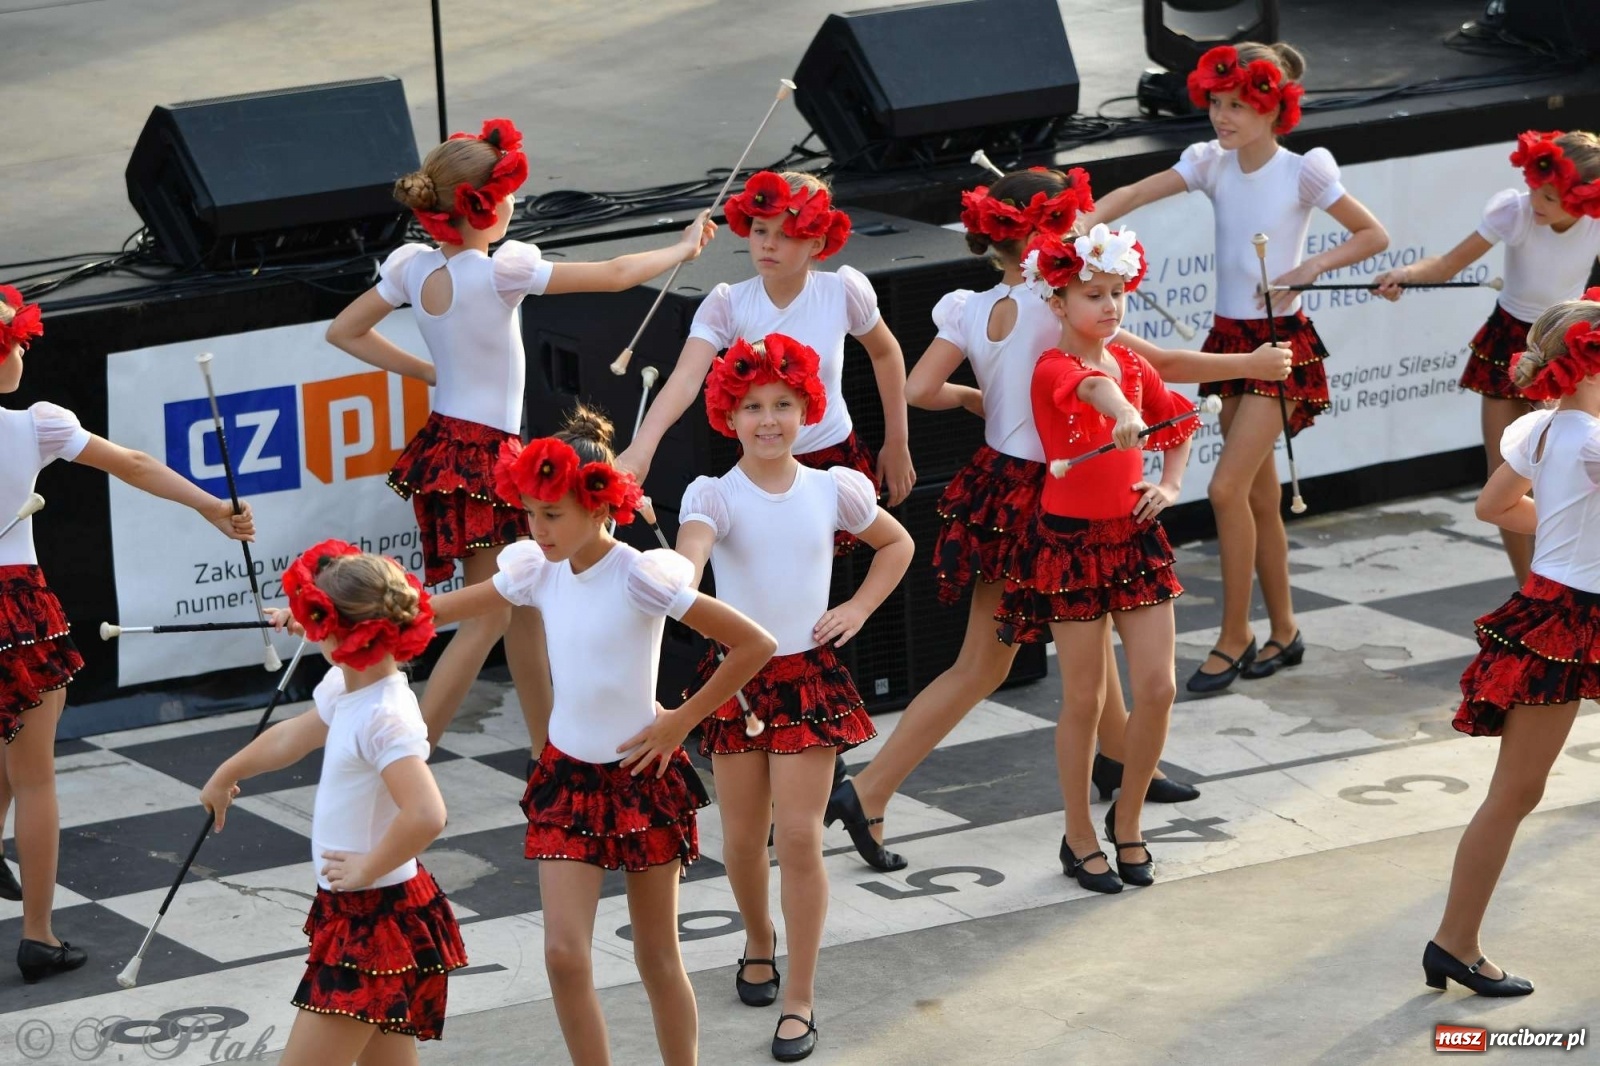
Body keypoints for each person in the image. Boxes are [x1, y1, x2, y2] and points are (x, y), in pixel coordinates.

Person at [828, 170, 1293, 872]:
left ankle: (1121, 759)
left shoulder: (974, 305)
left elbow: (922, 389)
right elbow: (1159, 362)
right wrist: (1250, 362)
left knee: (1086, 630)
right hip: (1043, 490)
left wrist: (979, 400)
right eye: (1072, 225)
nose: (1082, 236)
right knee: (983, 664)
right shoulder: (1056, 305)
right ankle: (868, 789)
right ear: (1047, 236)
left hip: (996, 484)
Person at [326, 117, 715, 750]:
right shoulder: (501, 271)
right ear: (483, 204)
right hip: (483, 454)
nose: (515, 204)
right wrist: (681, 249)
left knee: (525, 604)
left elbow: (343, 331)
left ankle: (544, 749)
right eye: (508, 194)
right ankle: (404, 756)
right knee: (488, 616)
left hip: (446, 446)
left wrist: (429, 370)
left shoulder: (411, 269)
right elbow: (617, 273)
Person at [428, 406, 775, 1066]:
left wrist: (681, 720)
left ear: (598, 506)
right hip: (566, 780)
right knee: (562, 955)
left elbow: (754, 643)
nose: (537, 529)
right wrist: (348, 614)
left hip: (642, 778)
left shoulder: (640, 577)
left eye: (551, 515)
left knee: (656, 956)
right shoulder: (537, 569)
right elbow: (437, 609)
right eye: (530, 513)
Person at [1080, 42, 1389, 693]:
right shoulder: (1210, 163)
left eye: (1238, 107)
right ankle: (1285, 628)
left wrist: (1308, 268)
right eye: (1216, 104)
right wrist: (1083, 221)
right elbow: (1134, 191)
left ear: (1274, 109)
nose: (1222, 117)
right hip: (1228, 342)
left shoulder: (1303, 172)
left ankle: (1235, 634)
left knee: (1225, 490)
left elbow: (1373, 235)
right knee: (1256, 497)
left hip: (1280, 346)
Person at [0, 285, 254, 982]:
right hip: (15, 609)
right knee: (34, 777)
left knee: (7, 756)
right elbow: (133, 464)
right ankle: (39, 937)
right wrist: (210, 507)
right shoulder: (35, 426)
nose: (24, 354)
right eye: (18, 343)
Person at [675, 333, 913, 1061]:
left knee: (802, 836)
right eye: (752, 407)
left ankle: (801, 1000)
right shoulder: (713, 495)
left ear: (808, 409)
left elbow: (897, 544)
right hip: (736, 680)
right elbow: (691, 556)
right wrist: (677, 579)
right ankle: (758, 938)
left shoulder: (833, 487)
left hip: (807, 678)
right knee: (743, 839)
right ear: (729, 415)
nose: (768, 420)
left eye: (782, 404)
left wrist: (859, 608)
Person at [996, 228, 1201, 892]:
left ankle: (1129, 819)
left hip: (1134, 539)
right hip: (1069, 544)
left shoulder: (1135, 365)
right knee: (1083, 699)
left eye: (1117, 293)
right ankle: (1078, 833)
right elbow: (1090, 390)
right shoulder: (1053, 367)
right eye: (1093, 295)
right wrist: (1120, 411)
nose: (1110, 306)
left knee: (1160, 688)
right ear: (1058, 304)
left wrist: (1170, 485)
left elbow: (1178, 424)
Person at [213, 543, 462, 1062]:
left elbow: (427, 813)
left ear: (340, 630)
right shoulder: (348, 689)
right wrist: (228, 772)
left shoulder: (383, 716)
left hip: (373, 919)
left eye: (315, 618)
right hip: (364, 911)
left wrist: (370, 865)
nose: (308, 630)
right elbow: (293, 736)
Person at [1426, 292, 1600, 997]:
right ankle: (1453, 943)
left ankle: (1454, 942)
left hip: (1553, 609)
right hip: (1569, 620)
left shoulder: (1550, 432)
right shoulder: (1591, 442)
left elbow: (1492, 506)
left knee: (1513, 793)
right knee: (1514, 794)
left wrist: (1563, 520)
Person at [616, 170, 917, 548]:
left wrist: (897, 440)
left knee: (835, 568)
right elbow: (686, 379)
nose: (768, 245)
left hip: (834, 461)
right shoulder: (729, 303)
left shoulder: (842, 291)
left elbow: (885, 352)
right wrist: (642, 449)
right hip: (763, 460)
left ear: (816, 241)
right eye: (760, 231)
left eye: (785, 234)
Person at [1376, 130, 1600, 584]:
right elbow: (1446, 265)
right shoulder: (1515, 212)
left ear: (1582, 199)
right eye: (1535, 188)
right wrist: (1405, 274)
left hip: (1572, 345)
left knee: (1575, 467)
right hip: (1507, 342)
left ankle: (1566, 575)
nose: (1536, 201)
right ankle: (1529, 586)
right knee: (1504, 472)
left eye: (1551, 197)